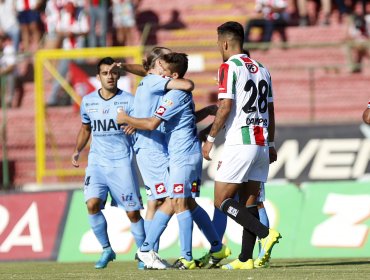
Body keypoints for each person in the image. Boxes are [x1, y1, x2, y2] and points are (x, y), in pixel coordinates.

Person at [117, 52, 231, 270]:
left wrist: (127, 119)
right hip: (185, 154)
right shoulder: (174, 92)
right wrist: (206, 111)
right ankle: (217, 246)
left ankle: (158, 251)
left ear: (173, 75)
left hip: (182, 156)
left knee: (174, 201)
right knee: (186, 202)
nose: (161, 74)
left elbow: (152, 123)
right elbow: (181, 118)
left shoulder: (174, 94)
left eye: (165, 71)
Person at [202, 21, 281, 270]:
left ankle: (265, 233)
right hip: (261, 142)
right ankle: (246, 259)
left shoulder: (228, 67)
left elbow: (224, 107)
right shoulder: (263, 68)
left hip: (240, 141)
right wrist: (271, 143)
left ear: (225, 43)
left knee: (221, 201)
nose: (218, 47)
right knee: (249, 202)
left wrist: (210, 139)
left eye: (218, 43)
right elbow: (270, 110)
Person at [71, 57, 145, 269]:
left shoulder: (129, 101)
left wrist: (134, 126)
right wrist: (77, 150)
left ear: (118, 76)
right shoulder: (88, 101)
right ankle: (106, 249)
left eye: (113, 73)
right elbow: (86, 129)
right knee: (92, 204)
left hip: (122, 162)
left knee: (132, 212)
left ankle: (142, 254)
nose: (110, 77)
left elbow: (141, 125)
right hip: (96, 162)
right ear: (98, 77)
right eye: (105, 73)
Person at [47, 1, 89, 106]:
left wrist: (73, 33)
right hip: (67, 50)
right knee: (60, 74)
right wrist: (66, 33)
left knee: (80, 75)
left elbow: (85, 30)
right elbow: (58, 30)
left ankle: (80, 99)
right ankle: (53, 98)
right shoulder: (63, 15)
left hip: (78, 50)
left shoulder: (81, 15)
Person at [0, 34, 17, 108]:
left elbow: (11, 67)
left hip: (9, 74)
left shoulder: (9, 49)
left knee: (10, 76)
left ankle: (8, 101)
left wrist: (1, 71)